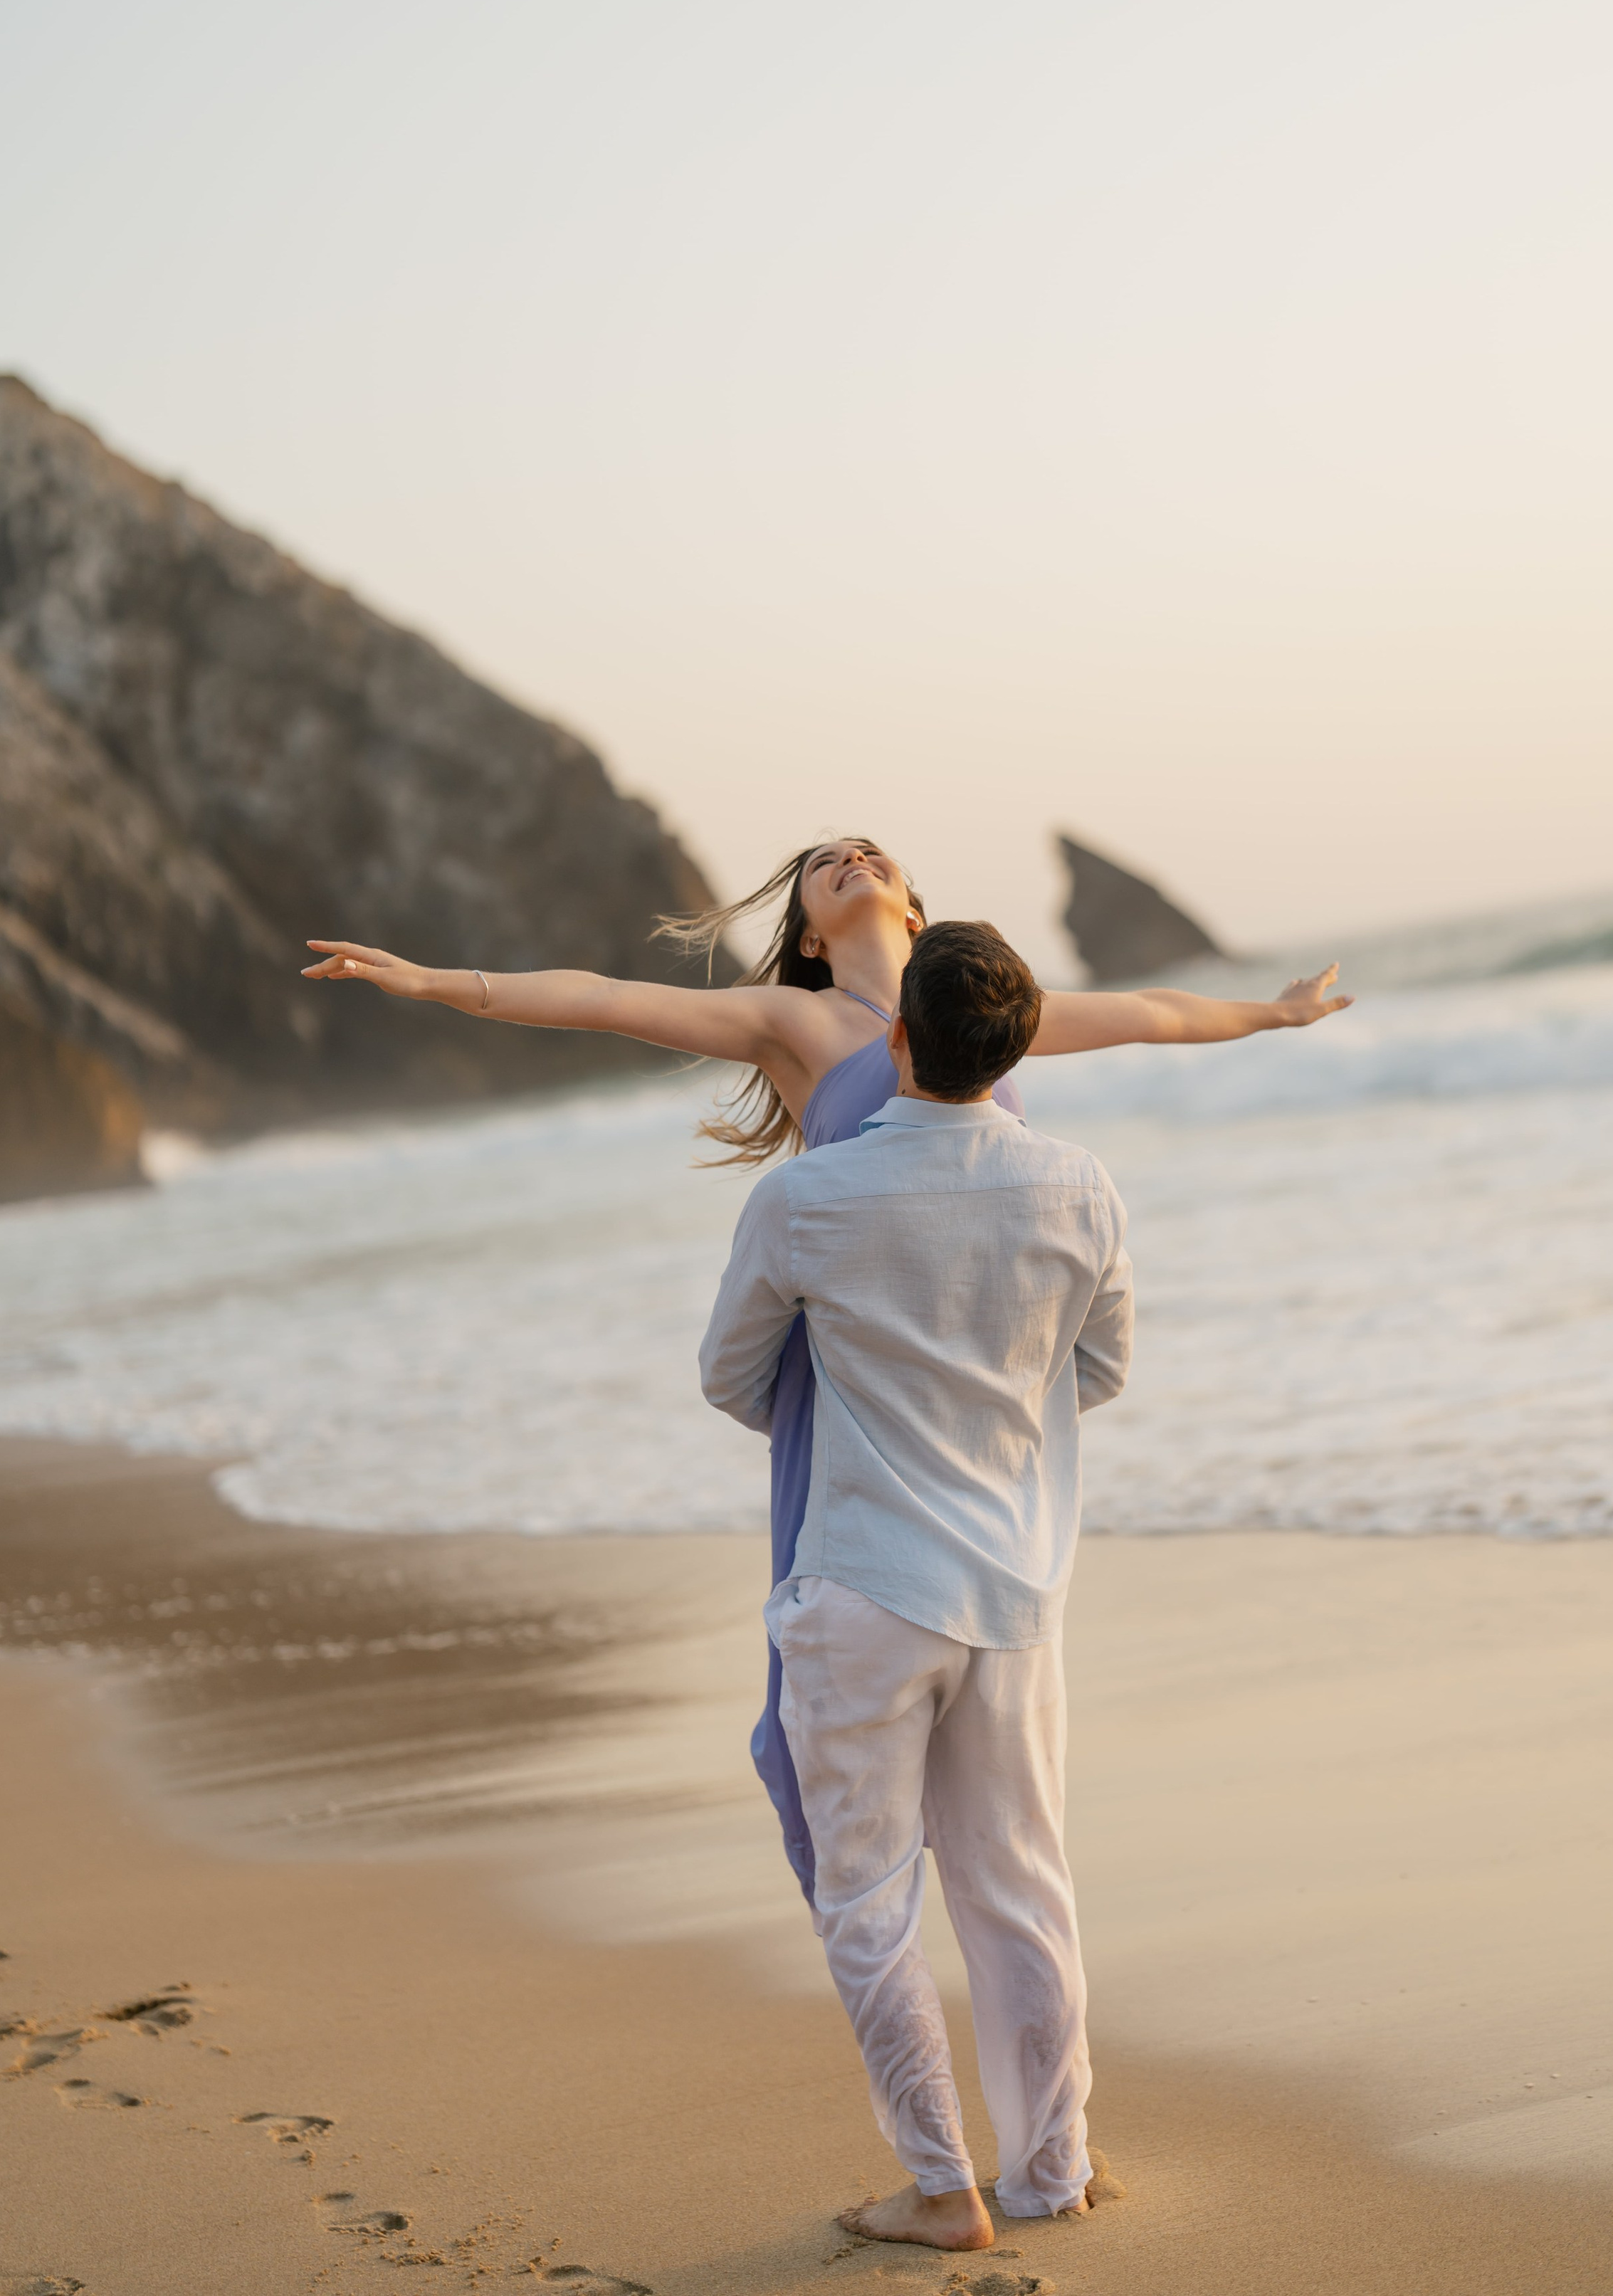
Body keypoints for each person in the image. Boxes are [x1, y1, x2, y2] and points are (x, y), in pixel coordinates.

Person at [303, 837, 1351, 1895]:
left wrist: (1275, 1013)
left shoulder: (988, 1010)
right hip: (858, 1364)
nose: (852, 857)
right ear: (809, 929)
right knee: (861, 1615)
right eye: (825, 862)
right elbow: (605, 998)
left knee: (984, 1642)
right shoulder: (793, 1022)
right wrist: (433, 981)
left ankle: (966, 1828)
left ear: (910, 901)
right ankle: (874, 1844)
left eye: (872, 851)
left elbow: (1149, 1014)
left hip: (972, 1362)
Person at [699, 917, 1130, 2250]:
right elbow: (1100, 1371)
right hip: (1014, 1590)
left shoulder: (804, 1195)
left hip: (865, 1586)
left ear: (897, 1041)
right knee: (1020, 1884)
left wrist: (875, 1405)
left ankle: (943, 2183)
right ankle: (1053, 2165)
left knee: (869, 1897)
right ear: (1016, 1048)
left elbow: (731, 1375)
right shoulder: (1080, 1184)